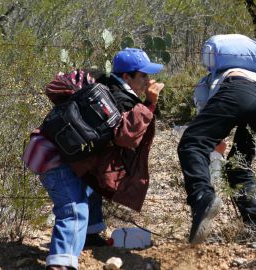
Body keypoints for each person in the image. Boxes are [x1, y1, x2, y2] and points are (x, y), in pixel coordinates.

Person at [22, 48, 164, 270]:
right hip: (54, 158)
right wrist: (149, 103)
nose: (148, 80)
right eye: (143, 75)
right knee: (74, 209)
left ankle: (89, 235)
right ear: (127, 77)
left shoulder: (102, 84)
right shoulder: (119, 98)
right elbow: (126, 137)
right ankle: (61, 263)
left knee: (89, 189)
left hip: (52, 151)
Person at [177, 34, 256, 244]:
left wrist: (213, 145)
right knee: (238, 167)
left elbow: (204, 126)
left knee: (191, 143)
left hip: (234, 92)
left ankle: (202, 198)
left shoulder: (211, 79)